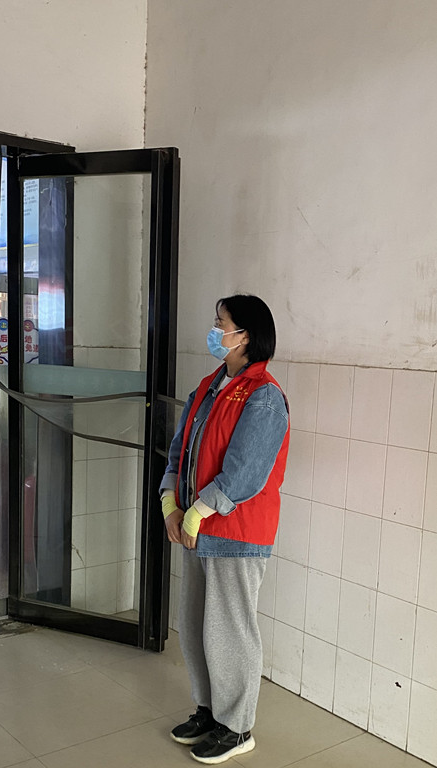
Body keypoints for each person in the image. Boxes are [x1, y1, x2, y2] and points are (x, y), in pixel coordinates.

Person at [160, 294, 289, 764]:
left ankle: (237, 728)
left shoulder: (264, 396)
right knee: (197, 627)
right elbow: (180, 451)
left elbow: (245, 473)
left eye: (222, 324)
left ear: (245, 336)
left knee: (229, 632)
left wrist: (197, 512)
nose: (215, 331)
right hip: (196, 526)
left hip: (236, 533)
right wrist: (170, 503)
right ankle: (210, 712)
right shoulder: (209, 386)